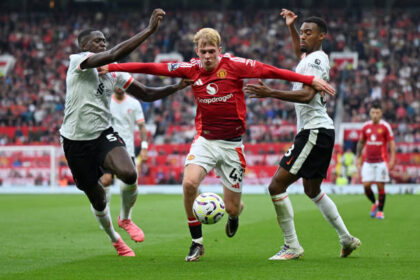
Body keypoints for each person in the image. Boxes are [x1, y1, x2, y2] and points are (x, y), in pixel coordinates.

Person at [99, 27, 335, 262]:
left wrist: (309, 79)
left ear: (219, 51)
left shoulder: (235, 66)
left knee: (232, 208)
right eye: (204, 52)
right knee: (189, 184)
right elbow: (151, 67)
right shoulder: (191, 70)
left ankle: (234, 215)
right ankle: (196, 242)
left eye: (212, 51)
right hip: (205, 141)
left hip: (232, 146)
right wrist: (112, 66)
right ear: (197, 52)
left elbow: (272, 71)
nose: (208, 56)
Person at [59, 9, 192, 257]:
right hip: (75, 141)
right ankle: (115, 239)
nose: (103, 44)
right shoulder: (78, 62)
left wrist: (176, 87)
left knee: (129, 172)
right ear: (86, 46)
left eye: (105, 41)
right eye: (98, 41)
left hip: (102, 135)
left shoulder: (114, 72)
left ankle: (126, 219)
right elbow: (114, 53)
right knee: (98, 199)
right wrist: (149, 31)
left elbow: (146, 94)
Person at [244, 9, 360, 260]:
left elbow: (307, 95)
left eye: (309, 32)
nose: (303, 36)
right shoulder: (308, 58)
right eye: (302, 32)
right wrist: (291, 27)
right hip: (319, 131)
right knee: (312, 189)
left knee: (276, 185)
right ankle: (347, 239)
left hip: (314, 131)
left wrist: (271, 92)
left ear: (322, 36)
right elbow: (300, 53)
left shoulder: (317, 60)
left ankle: (292, 246)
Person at [99, 86, 150, 244]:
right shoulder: (106, 101)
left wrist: (144, 147)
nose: (120, 87)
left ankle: (125, 217)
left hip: (127, 151)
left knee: (127, 186)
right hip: (107, 148)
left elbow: (141, 127)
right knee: (105, 180)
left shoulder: (134, 103)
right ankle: (105, 212)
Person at [356, 101, 395, 219]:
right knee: (366, 186)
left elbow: (392, 144)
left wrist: (392, 159)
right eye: (373, 112)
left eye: (377, 113)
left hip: (381, 162)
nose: (375, 115)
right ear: (370, 113)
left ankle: (380, 211)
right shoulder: (365, 126)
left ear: (381, 113)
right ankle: (375, 203)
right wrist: (358, 157)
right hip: (368, 161)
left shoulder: (385, 126)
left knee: (380, 185)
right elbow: (361, 142)